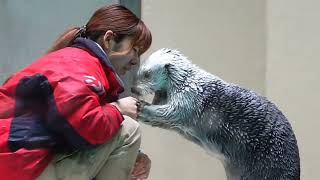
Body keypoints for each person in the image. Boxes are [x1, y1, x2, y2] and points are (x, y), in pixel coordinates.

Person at [0, 4, 152, 180]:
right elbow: (84, 128)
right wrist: (118, 109)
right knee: (129, 130)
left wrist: (134, 155)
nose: (135, 60)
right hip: (22, 164)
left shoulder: (74, 62)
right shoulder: (79, 65)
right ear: (109, 39)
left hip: (18, 160)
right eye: (135, 49)